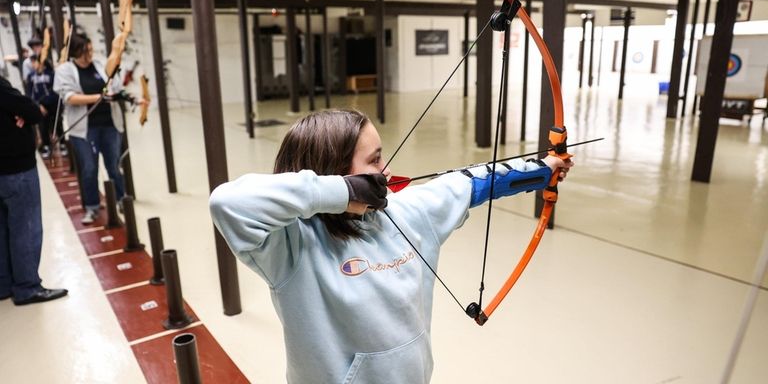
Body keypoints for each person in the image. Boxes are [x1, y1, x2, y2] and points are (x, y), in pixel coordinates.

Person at [209, 109, 573, 383]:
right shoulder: (291, 244)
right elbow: (228, 204)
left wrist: (544, 169)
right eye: (374, 161)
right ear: (335, 172)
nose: (384, 171)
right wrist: (340, 193)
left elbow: (473, 183)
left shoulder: (407, 212)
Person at [0, 75, 68, 305]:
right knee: (25, 229)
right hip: (15, 169)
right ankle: (27, 287)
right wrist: (20, 114)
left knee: (3, 229)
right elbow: (33, 112)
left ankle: (4, 284)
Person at [53, 34, 132, 225]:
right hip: (84, 130)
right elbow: (69, 97)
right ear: (74, 52)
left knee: (113, 165)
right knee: (89, 169)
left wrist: (118, 94)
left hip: (109, 124)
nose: (89, 54)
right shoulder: (65, 70)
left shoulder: (99, 65)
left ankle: (122, 200)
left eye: (90, 50)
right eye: (84, 51)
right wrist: (99, 97)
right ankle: (92, 207)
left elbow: (114, 85)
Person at [26, 54, 65, 159]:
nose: (33, 64)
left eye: (35, 61)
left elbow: (56, 90)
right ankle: (46, 145)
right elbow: (29, 94)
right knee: (43, 126)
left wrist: (58, 105)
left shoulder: (51, 74)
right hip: (41, 106)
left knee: (57, 124)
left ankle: (62, 143)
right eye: (32, 62)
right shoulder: (31, 77)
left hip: (53, 104)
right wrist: (38, 105)